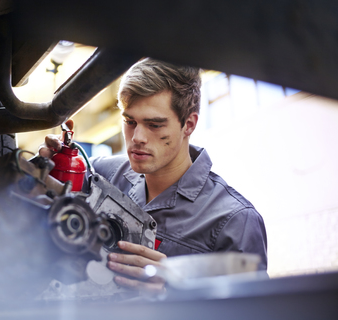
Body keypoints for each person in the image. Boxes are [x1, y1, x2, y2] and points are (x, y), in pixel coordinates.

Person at [39, 58, 267, 294]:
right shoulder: (100, 174)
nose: (137, 137)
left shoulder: (235, 221)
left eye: (154, 125)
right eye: (129, 121)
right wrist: (47, 167)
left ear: (188, 124)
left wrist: (176, 294)